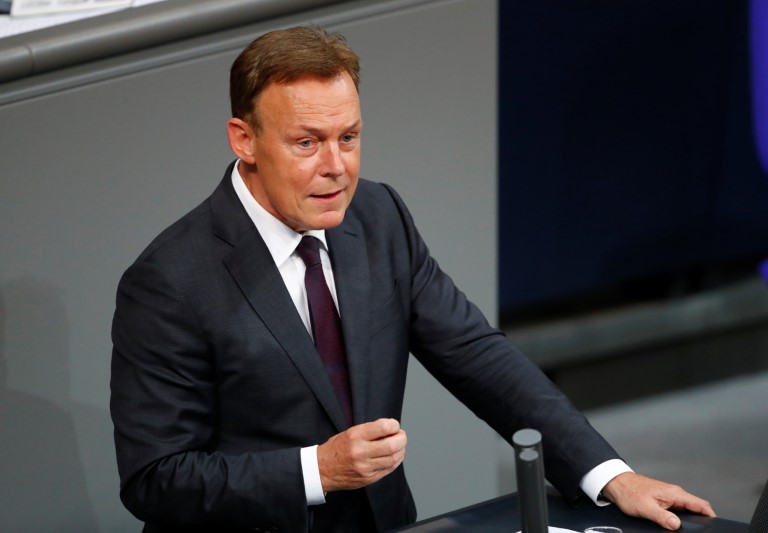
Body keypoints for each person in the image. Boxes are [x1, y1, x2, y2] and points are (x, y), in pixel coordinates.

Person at [110, 26, 715, 533]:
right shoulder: (171, 281)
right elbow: (155, 479)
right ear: (245, 140)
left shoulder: (379, 218)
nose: (336, 168)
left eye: (349, 138)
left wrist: (611, 476)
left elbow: (478, 358)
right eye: (306, 143)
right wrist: (317, 470)